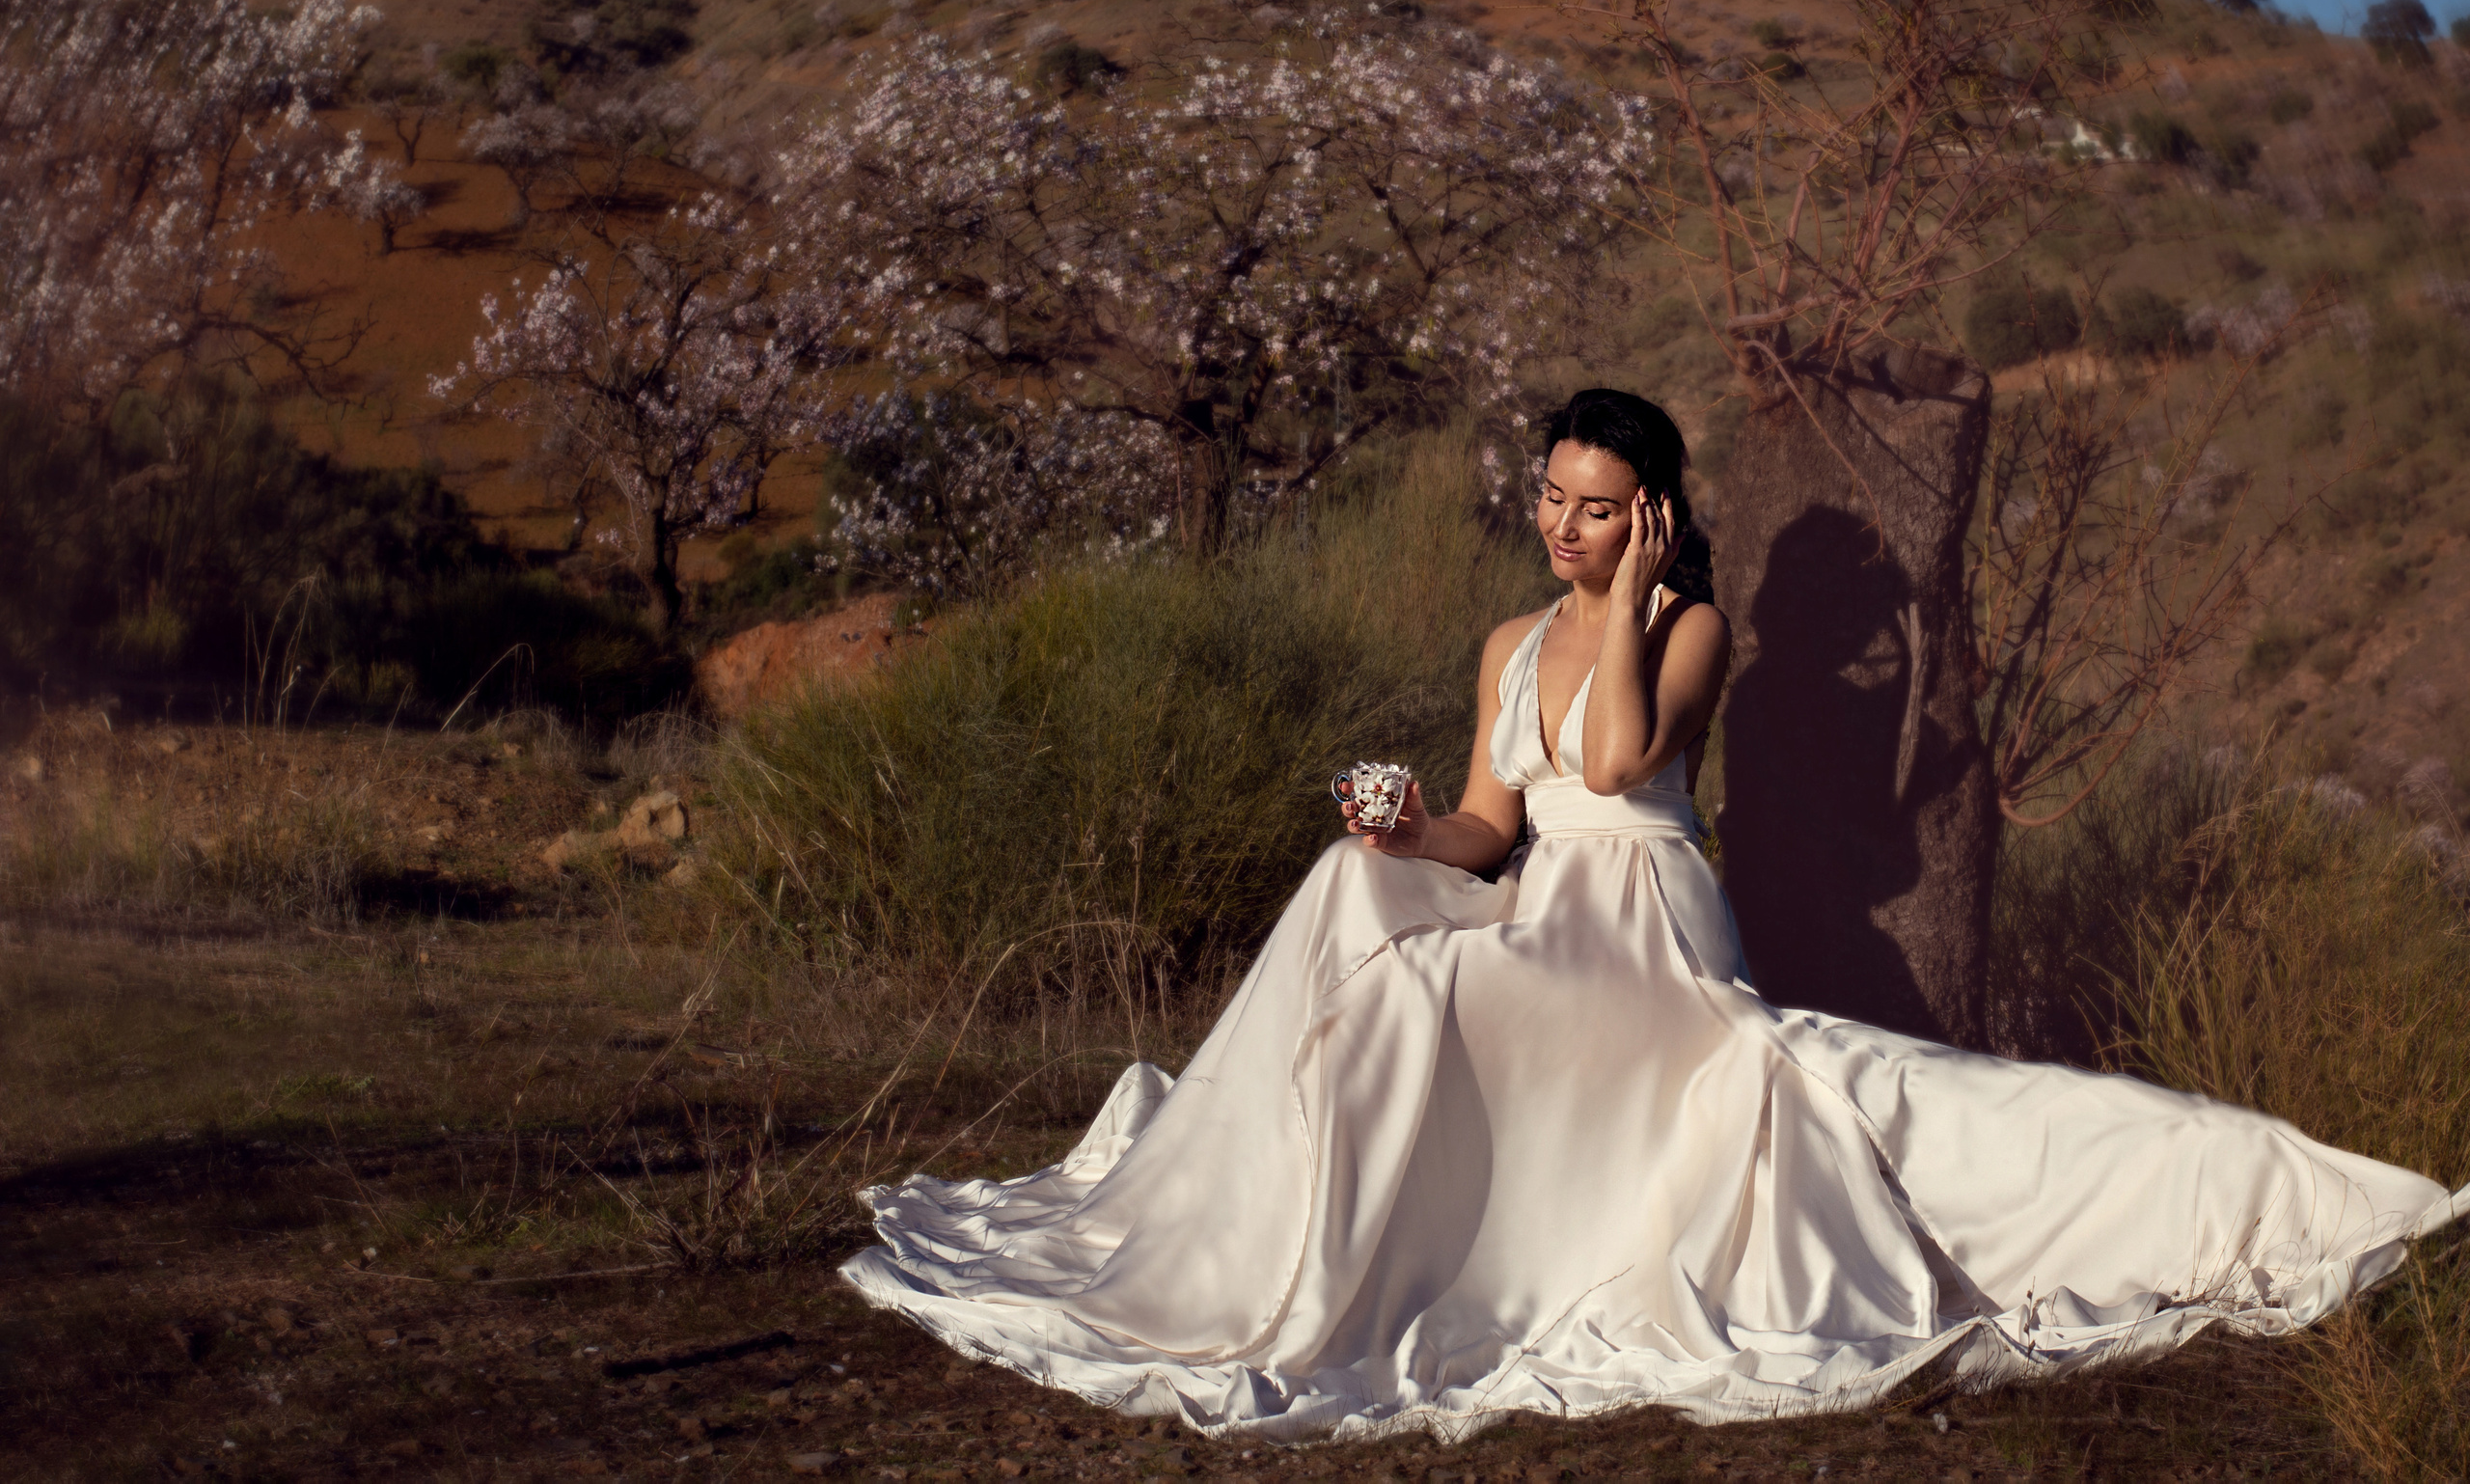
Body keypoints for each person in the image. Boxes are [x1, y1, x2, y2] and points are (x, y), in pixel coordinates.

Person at [841, 388, 2465, 1443]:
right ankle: (1277, 1237)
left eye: (1600, 508)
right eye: (1553, 499)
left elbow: (1616, 762)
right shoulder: (1499, 642)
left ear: (1656, 517)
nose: (1564, 525)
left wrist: (1625, 605)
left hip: (1646, 936)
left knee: (1430, 998)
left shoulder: (1690, 633)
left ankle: (1376, 1261)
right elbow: (1495, 825)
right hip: (1542, 899)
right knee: (1356, 886)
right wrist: (1407, 828)